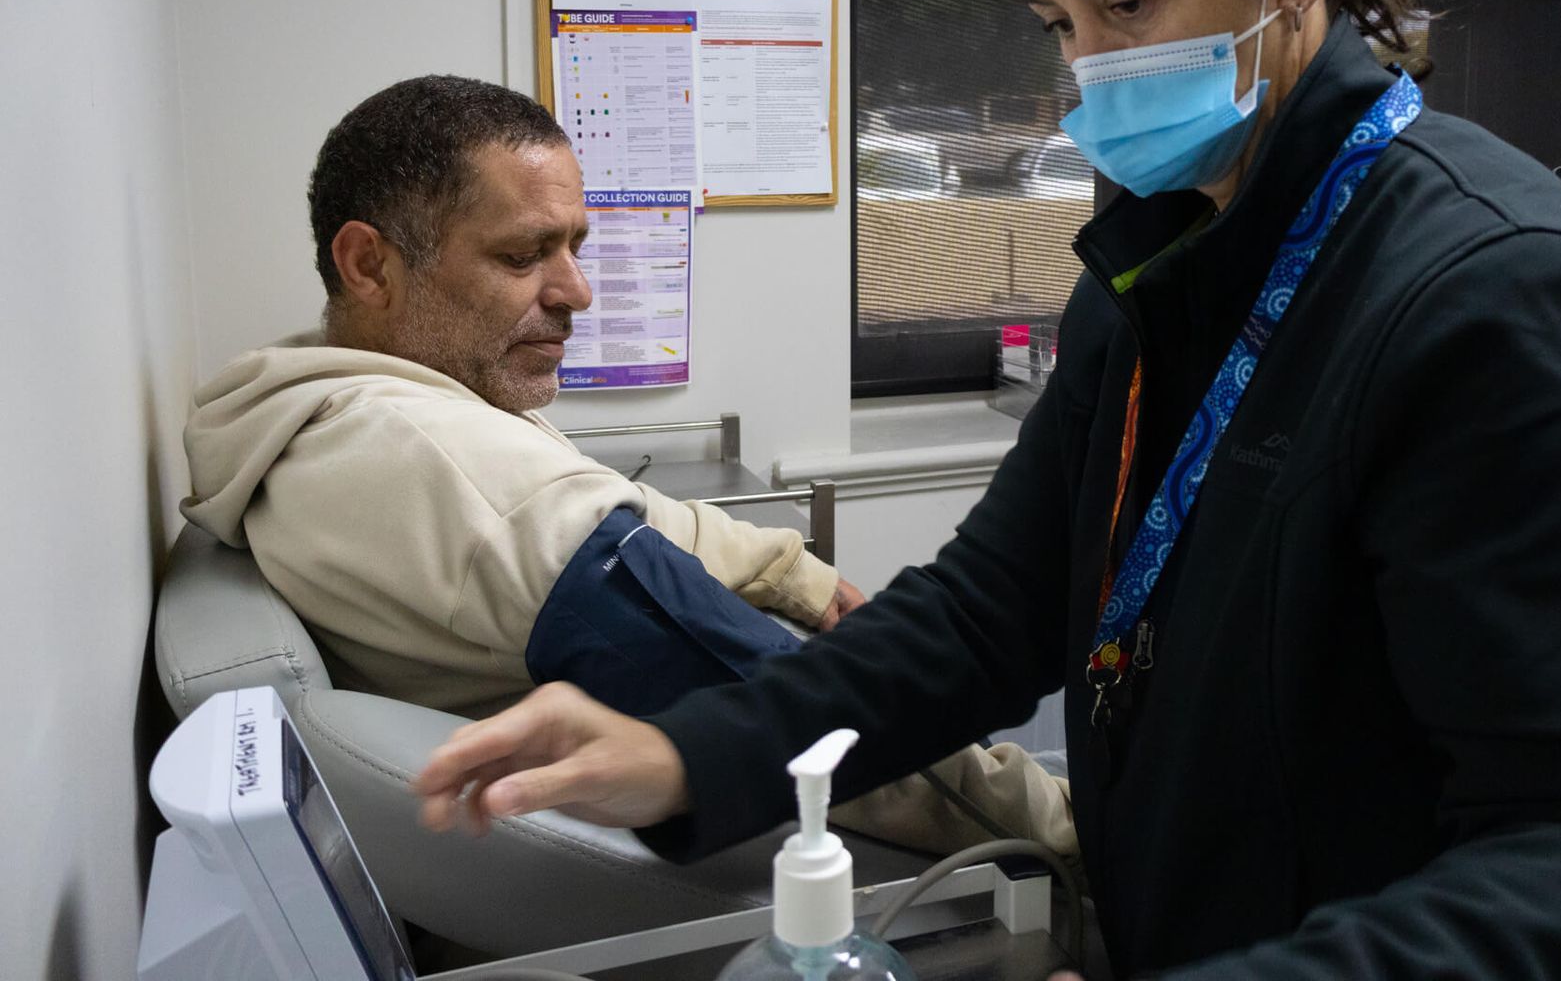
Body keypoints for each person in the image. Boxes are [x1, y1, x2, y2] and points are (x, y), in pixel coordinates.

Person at [416, 0, 1561, 979]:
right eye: (1058, 23)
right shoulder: (1159, 258)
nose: (1092, 71)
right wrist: (686, 754)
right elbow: (996, 605)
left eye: (1129, 3)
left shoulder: (1501, 300)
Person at [177, 73, 1076, 857]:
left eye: (575, 245)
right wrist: (1062, 840)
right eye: (523, 255)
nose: (575, 291)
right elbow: (793, 723)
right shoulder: (461, 475)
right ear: (368, 263)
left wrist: (783, 567)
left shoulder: (336, 402)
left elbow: (615, 508)